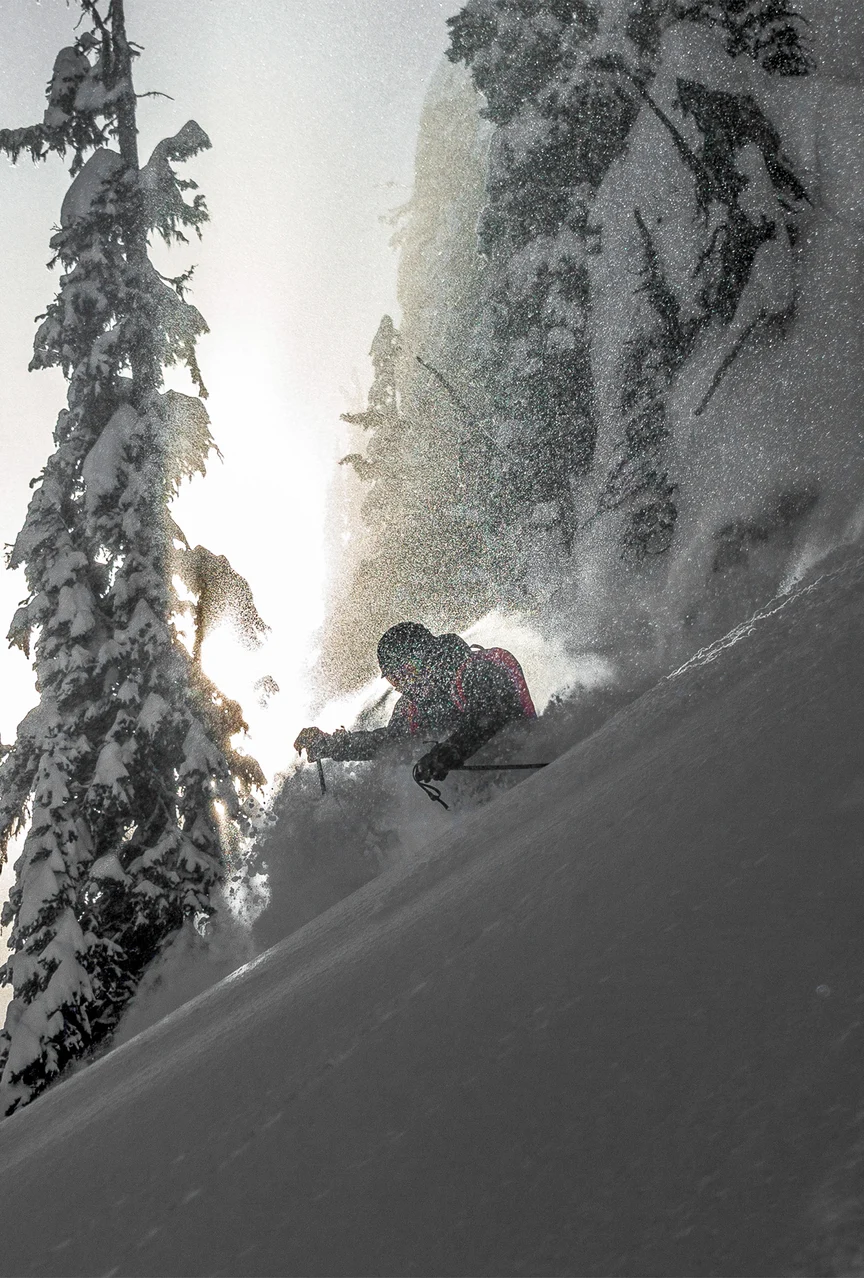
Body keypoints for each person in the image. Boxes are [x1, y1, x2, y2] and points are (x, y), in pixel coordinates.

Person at [294, 622, 536, 784]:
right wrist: (332, 745)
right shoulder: (413, 707)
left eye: (409, 670)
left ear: (429, 655)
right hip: (482, 794)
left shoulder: (475, 669)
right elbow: (387, 742)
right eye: (394, 678)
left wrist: (450, 751)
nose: (404, 684)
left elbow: (491, 715)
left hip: (528, 770)